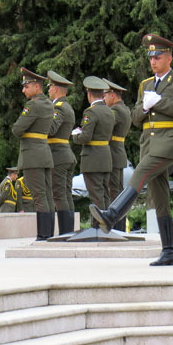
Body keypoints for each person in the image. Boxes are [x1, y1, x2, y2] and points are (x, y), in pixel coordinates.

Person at [91, 34, 173, 267]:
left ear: (169, 58)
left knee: (140, 173)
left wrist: (160, 102)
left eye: (158, 57)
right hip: (149, 144)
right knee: (160, 198)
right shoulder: (145, 85)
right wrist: (146, 106)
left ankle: (112, 214)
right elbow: (136, 117)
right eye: (151, 58)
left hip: (170, 142)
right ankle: (168, 251)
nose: (153, 61)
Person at [12, 68, 55, 240]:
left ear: (37, 86)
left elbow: (17, 129)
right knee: (47, 195)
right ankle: (49, 233)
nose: (24, 90)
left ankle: (43, 235)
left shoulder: (33, 105)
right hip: (44, 153)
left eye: (26, 86)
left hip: (32, 155)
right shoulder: (49, 104)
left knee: (38, 196)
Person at [72, 76, 114, 228]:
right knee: (104, 193)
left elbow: (85, 137)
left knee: (96, 195)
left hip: (92, 158)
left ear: (89, 94)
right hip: (105, 156)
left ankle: (98, 227)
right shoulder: (109, 111)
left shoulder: (90, 112)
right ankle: (107, 224)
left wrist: (75, 135)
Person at [46, 71, 76, 234]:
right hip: (65, 154)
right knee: (65, 193)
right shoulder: (67, 107)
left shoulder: (58, 108)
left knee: (59, 194)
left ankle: (65, 232)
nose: (48, 90)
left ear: (56, 89)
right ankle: (68, 231)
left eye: (50, 87)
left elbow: (51, 129)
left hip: (58, 155)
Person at [103, 78, 131, 232]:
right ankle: (118, 227)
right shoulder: (124, 109)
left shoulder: (115, 110)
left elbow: (104, 126)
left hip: (113, 154)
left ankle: (116, 227)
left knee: (114, 193)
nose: (103, 99)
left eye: (105, 95)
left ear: (112, 95)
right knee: (117, 192)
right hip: (118, 153)